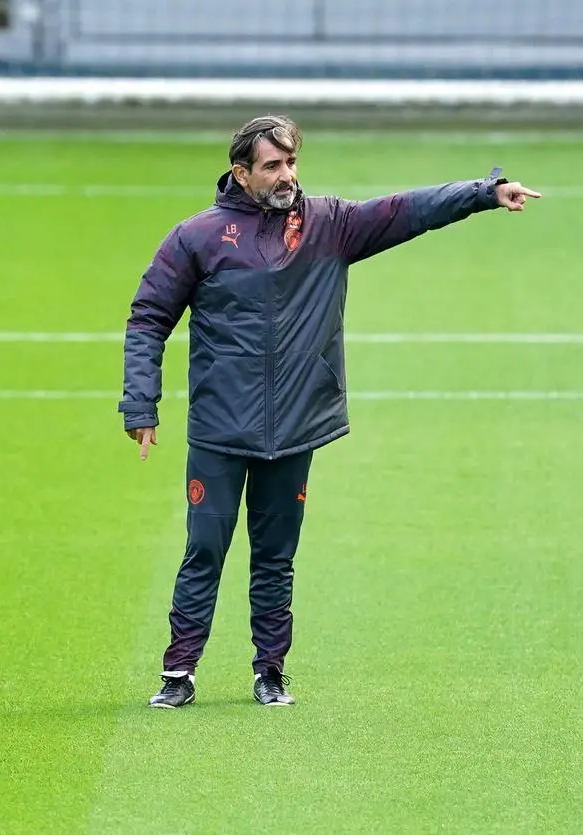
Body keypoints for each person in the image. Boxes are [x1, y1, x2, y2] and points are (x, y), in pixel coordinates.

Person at [119, 115, 541, 709]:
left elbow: (406, 210)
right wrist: (141, 402)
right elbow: (148, 319)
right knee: (204, 551)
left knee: (276, 559)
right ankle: (179, 673)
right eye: (273, 165)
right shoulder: (198, 237)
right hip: (220, 429)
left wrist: (482, 194)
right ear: (241, 173)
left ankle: (270, 672)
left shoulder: (328, 225)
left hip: (296, 428)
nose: (287, 174)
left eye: (291, 162)